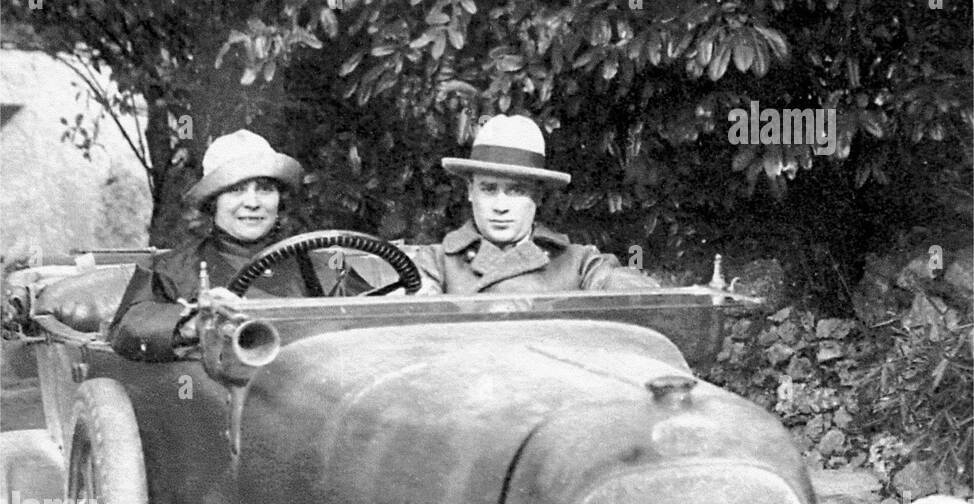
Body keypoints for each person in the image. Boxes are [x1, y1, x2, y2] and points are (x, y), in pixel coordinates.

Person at [108, 129, 368, 361]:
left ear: (279, 200)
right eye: (236, 190)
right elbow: (126, 329)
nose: (252, 202)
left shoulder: (323, 269)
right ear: (213, 202)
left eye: (265, 189)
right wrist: (194, 323)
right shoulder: (170, 270)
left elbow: (380, 325)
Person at [409, 114, 660, 296]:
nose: (500, 206)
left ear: (538, 197)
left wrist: (628, 281)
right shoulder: (436, 262)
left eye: (516, 190)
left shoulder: (577, 262)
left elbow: (629, 291)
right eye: (488, 189)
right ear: (470, 192)